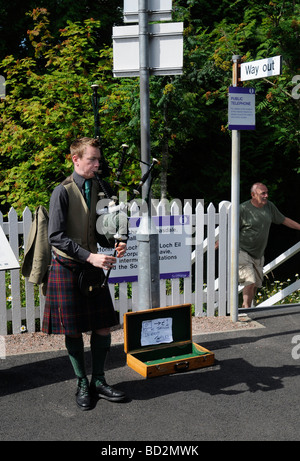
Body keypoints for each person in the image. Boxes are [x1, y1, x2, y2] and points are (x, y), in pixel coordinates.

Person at [42, 137, 127, 410]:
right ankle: (81, 382)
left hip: (92, 266)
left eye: (98, 159)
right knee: (74, 330)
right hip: (68, 267)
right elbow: (55, 236)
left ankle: (99, 381)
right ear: (75, 159)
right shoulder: (62, 192)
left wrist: (117, 240)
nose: (97, 164)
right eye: (92, 159)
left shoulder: (100, 189)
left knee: (103, 325)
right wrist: (90, 257)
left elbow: (102, 228)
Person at [239, 182, 300, 308]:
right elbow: (231, 227)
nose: (266, 195)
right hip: (242, 250)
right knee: (249, 282)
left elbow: (283, 219)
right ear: (253, 195)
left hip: (258, 253)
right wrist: (218, 242)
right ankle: (246, 309)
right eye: (263, 193)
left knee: (255, 284)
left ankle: (248, 307)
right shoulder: (243, 209)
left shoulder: (269, 207)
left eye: (267, 193)